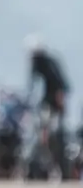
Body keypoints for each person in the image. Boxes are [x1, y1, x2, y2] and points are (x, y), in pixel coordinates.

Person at [25, 35, 70, 178]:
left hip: (53, 105)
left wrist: (60, 101)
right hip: (45, 103)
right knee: (41, 134)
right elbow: (32, 85)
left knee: (52, 134)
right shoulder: (37, 65)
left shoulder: (50, 64)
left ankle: (57, 167)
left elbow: (61, 85)